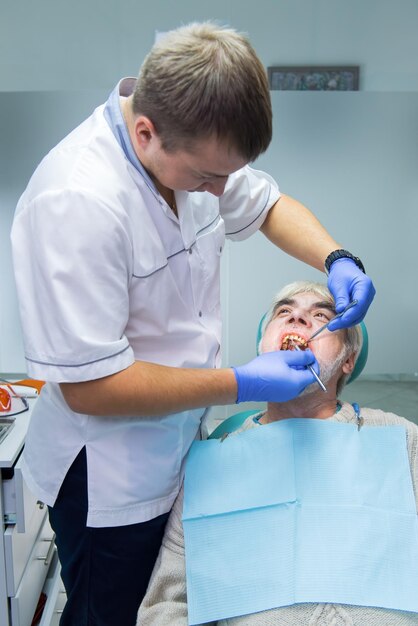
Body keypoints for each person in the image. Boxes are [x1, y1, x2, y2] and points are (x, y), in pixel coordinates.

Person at [11, 22, 375, 626]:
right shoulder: (76, 202)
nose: (220, 191)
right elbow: (90, 387)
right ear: (146, 132)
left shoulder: (195, 152)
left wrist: (336, 258)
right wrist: (242, 383)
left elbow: (266, 205)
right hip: (112, 478)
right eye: (208, 177)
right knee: (115, 611)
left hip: (182, 444)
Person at [137, 281, 418, 626]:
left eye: (321, 315)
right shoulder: (215, 462)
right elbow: (165, 606)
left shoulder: (402, 440)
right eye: (284, 312)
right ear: (261, 347)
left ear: (348, 359)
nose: (298, 317)